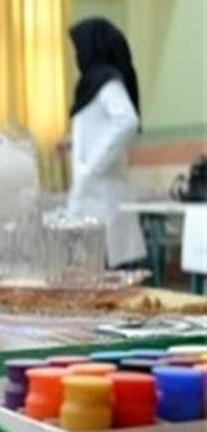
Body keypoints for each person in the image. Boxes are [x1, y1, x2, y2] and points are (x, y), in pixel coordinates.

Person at [66, 17, 145, 268]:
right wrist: (73, 144)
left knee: (109, 271)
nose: (76, 55)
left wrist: (93, 166)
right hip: (91, 194)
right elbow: (98, 128)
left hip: (104, 195)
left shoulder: (107, 83)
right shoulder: (93, 85)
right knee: (89, 268)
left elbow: (127, 121)